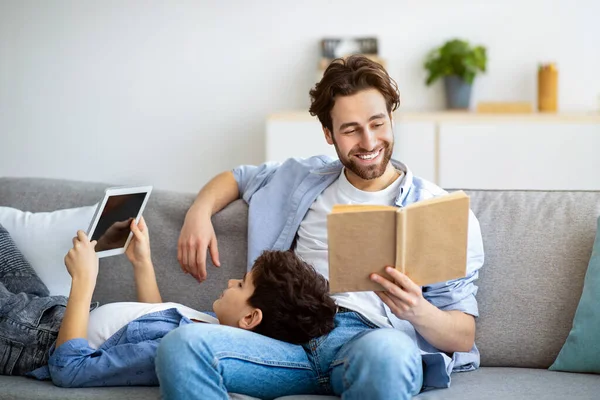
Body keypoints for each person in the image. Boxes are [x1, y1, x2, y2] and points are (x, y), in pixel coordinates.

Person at [160, 55, 485, 400]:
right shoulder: (303, 179)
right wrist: (199, 212)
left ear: (392, 118)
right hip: (284, 343)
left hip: (370, 343)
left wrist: (418, 311)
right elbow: (238, 178)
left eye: (377, 123)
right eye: (351, 130)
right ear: (329, 134)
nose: (369, 142)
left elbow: (462, 336)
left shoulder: (436, 210)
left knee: (390, 353)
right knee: (183, 345)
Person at [0, 218, 336, 387]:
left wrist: (83, 281)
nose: (232, 282)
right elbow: (153, 317)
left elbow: (69, 370)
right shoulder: (210, 325)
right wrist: (142, 263)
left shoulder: (184, 349)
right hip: (45, 307)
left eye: (243, 284)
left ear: (250, 318)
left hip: (28, 336)